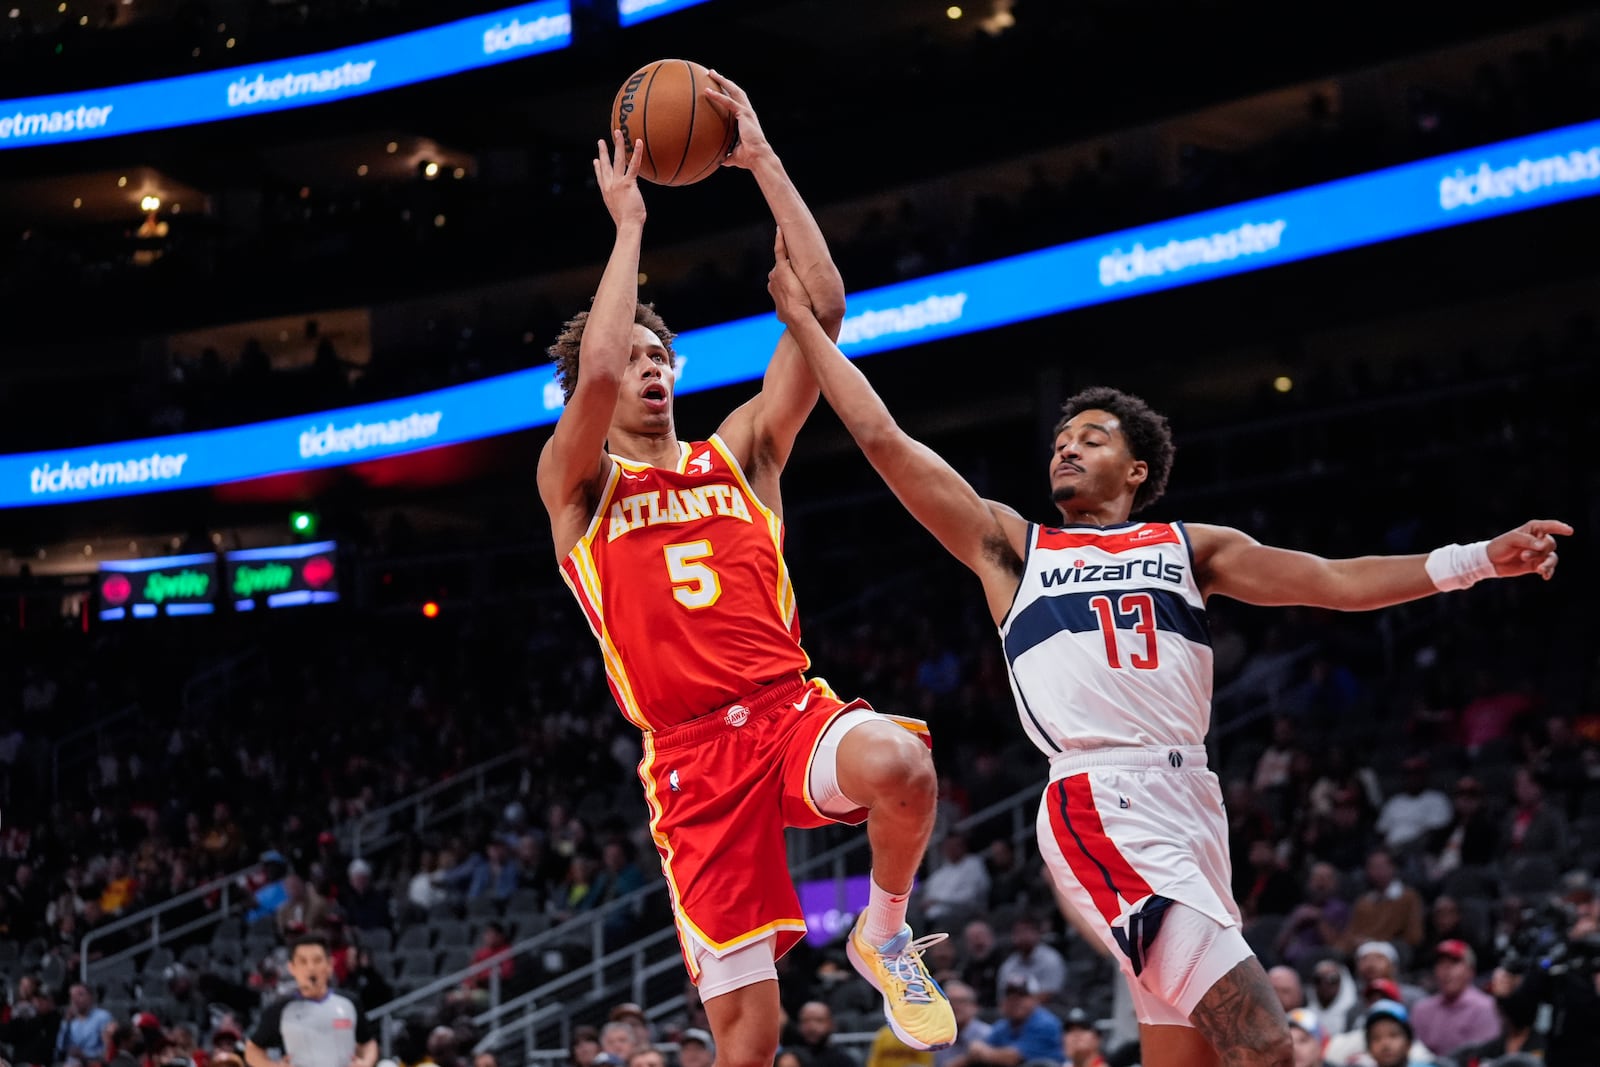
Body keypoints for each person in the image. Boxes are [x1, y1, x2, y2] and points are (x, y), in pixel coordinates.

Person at [765, 242, 1569, 1067]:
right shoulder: (1015, 547)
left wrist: (1476, 558)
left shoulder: (1192, 546)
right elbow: (885, 439)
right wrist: (806, 329)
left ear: (1137, 466)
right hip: (1101, 801)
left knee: (1191, 1058)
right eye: (1060, 441)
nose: (1065, 449)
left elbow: (1333, 580)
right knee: (1263, 1036)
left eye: (1091, 438)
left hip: (1195, 805)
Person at [536, 75, 953, 1061]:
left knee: (903, 763)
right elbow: (591, 373)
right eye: (629, 350)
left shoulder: (741, 453)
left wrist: (761, 160)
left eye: (656, 352)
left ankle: (883, 930)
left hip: (784, 708)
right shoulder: (577, 486)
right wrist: (627, 227)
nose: (642, 364)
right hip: (691, 760)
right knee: (753, 1036)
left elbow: (825, 307)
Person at [244, 935, 377, 1067]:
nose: (311, 968)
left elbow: (368, 1043)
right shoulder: (281, 1010)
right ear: (292, 968)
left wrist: (366, 1062)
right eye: (303, 961)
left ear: (330, 964)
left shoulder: (349, 1002)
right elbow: (252, 1050)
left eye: (317, 960)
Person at [1409, 941, 1499, 1057]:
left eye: (1454, 962)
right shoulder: (1421, 1009)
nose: (1446, 970)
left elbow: (1485, 1057)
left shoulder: (1486, 1008)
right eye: (1441, 963)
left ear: (1470, 971)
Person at [966, 977, 1063, 1067]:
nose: (1015, 1001)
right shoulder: (1003, 1025)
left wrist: (981, 1051)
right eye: (1010, 996)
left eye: (1021, 996)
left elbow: (1011, 1058)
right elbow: (975, 1053)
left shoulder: (1045, 1024)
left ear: (1035, 999)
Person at [55, 982, 113, 1064]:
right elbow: (61, 1048)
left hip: (95, 1063)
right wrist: (66, 1023)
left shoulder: (102, 1017)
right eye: (72, 996)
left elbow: (108, 1049)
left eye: (80, 995)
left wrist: (85, 1054)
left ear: (91, 997)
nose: (75, 999)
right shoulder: (70, 1021)